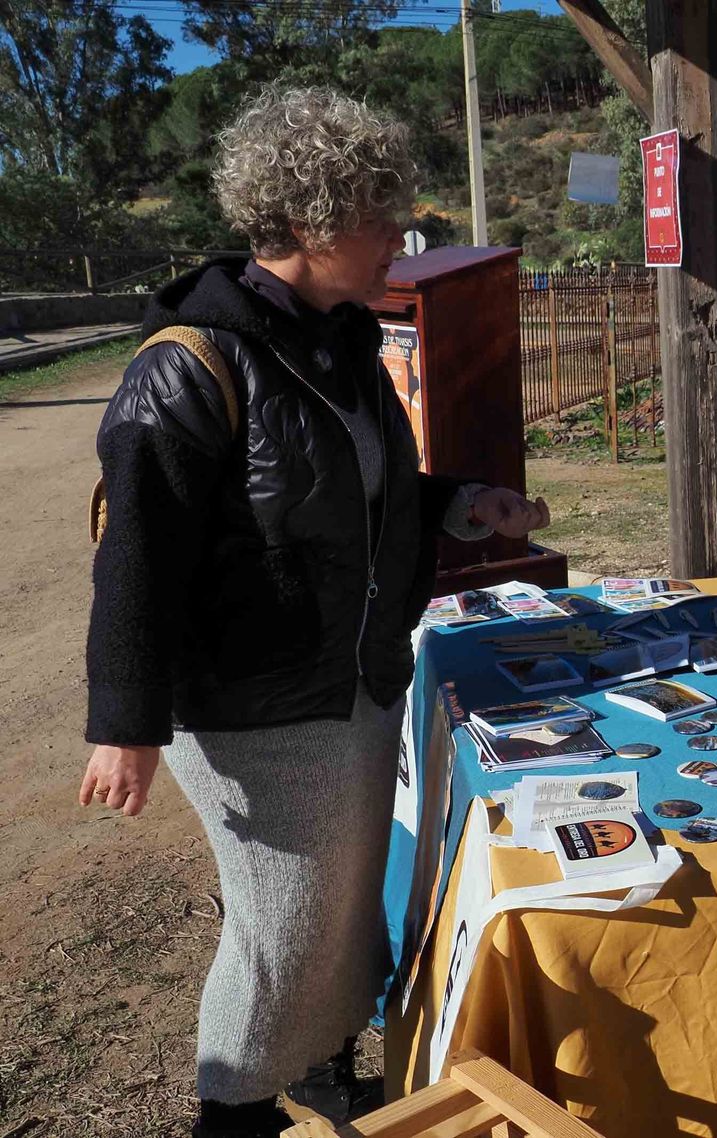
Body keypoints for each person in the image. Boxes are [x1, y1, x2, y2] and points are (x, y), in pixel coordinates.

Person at [77, 86, 550, 1138]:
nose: (399, 232)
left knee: (341, 914)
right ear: (305, 220)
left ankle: (326, 1074)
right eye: (379, 211)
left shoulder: (336, 338)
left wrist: (464, 505)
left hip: (350, 684)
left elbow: (363, 496)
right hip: (254, 709)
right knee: (280, 931)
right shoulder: (189, 366)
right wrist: (125, 722)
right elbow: (138, 559)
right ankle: (233, 1111)